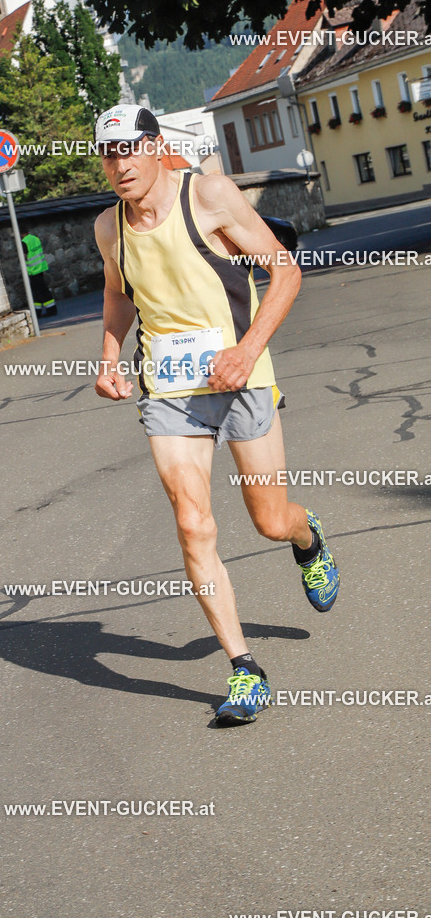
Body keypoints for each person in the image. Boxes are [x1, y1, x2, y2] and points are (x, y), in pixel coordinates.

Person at [92, 104, 340, 726]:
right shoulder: (108, 227)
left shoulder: (208, 196)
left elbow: (284, 271)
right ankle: (243, 667)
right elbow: (119, 292)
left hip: (242, 377)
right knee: (192, 521)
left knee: (269, 520)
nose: (120, 165)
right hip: (170, 391)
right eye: (109, 153)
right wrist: (107, 357)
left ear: (154, 146)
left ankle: (307, 537)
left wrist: (246, 350)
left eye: (129, 149)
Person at [22, 232, 57, 317]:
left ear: (21, 233)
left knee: (40, 291)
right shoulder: (35, 238)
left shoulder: (24, 242)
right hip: (40, 267)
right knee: (39, 291)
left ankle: (50, 310)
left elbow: (25, 256)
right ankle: (38, 311)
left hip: (33, 270)